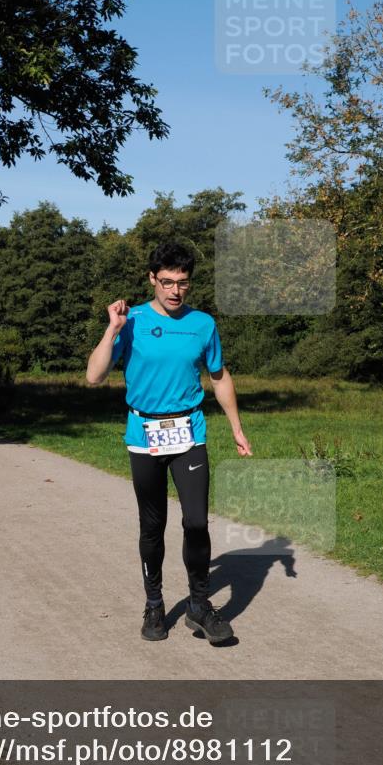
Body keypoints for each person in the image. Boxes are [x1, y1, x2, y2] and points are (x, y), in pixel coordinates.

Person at [86, 242, 253, 645]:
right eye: (167, 282)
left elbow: (219, 376)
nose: (175, 291)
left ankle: (199, 605)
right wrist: (112, 328)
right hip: (144, 435)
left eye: (183, 283)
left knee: (196, 522)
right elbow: (94, 376)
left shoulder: (202, 324)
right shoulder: (133, 320)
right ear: (151, 280)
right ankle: (155, 604)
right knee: (152, 525)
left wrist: (236, 426)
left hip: (188, 432)